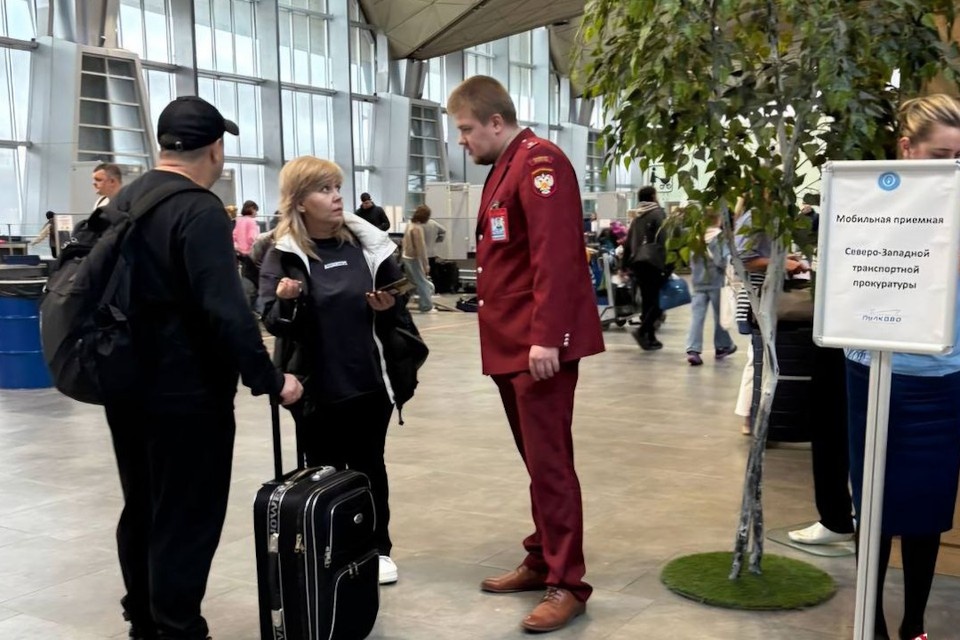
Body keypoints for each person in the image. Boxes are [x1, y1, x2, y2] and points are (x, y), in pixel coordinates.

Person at [103, 95, 302, 640]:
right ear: (215, 149)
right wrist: (270, 379)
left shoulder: (124, 201)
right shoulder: (198, 209)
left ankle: (145, 620)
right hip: (187, 393)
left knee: (142, 505)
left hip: (124, 385)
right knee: (187, 514)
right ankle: (179, 628)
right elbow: (226, 311)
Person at [447, 75, 604, 634]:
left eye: (467, 128)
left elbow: (556, 255)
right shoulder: (504, 166)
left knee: (551, 464)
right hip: (510, 342)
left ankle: (568, 583)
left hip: (536, 346)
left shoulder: (541, 163)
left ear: (496, 121)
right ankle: (541, 559)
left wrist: (549, 336)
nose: (462, 139)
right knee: (538, 462)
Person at [258, 155, 407, 587]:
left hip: (368, 382)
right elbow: (273, 322)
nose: (337, 197)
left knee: (369, 468)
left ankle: (376, 548)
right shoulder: (281, 254)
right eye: (324, 189)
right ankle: (330, 551)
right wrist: (287, 301)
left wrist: (388, 305)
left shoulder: (366, 244)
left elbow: (397, 299)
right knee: (322, 472)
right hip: (315, 389)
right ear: (299, 201)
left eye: (338, 187)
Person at [845, 93, 960, 640]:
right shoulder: (866, 203)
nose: (952, 167)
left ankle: (915, 623)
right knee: (874, 506)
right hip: (876, 374)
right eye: (941, 156)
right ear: (907, 149)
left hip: (945, 377)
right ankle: (871, 622)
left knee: (928, 508)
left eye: (959, 157)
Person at [684, 209, 737, 365]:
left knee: (697, 316)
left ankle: (693, 349)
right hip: (716, 282)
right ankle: (722, 346)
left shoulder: (695, 237)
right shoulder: (719, 237)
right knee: (719, 315)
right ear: (718, 219)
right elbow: (722, 260)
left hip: (698, 282)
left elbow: (690, 260)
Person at [622, 186, 669, 350]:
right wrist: (669, 263)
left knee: (647, 301)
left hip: (638, 263)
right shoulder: (658, 213)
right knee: (657, 302)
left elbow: (628, 242)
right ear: (653, 196)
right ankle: (642, 331)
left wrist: (624, 265)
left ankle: (650, 336)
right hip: (654, 262)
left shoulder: (637, 216)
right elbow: (664, 239)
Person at [401, 204, 436, 314]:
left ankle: (402, 302)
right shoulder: (417, 228)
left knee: (412, 283)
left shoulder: (409, 225)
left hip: (406, 256)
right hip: (414, 259)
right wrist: (426, 264)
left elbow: (404, 242)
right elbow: (421, 248)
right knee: (422, 283)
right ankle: (426, 306)